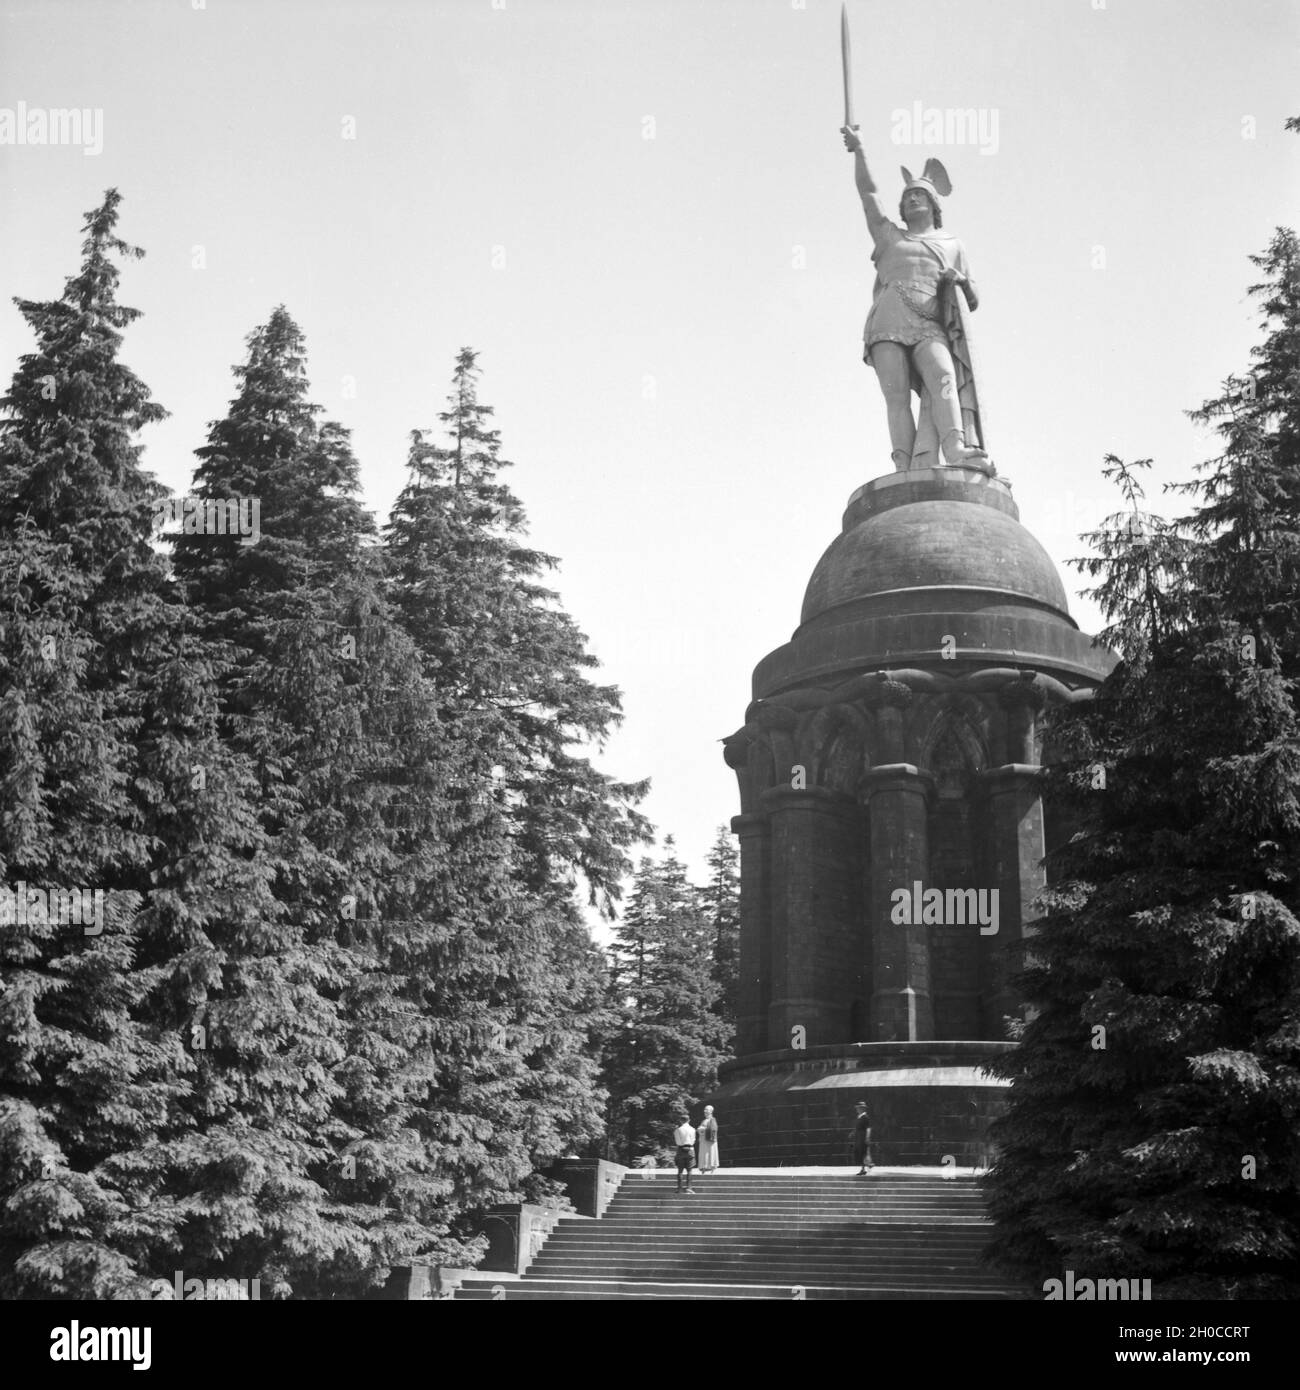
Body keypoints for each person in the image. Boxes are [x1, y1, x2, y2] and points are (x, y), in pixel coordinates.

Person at [840, 126, 989, 473]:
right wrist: (860, 150)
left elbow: (974, 298)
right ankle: (903, 466)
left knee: (944, 377)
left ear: (934, 205)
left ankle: (956, 449)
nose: (912, 199)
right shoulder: (890, 236)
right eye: (907, 196)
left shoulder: (953, 245)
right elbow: (869, 194)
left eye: (919, 194)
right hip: (888, 320)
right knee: (896, 397)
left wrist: (961, 281)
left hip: (930, 323)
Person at [672, 1114, 697, 1194]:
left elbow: (678, 1142)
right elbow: (693, 1140)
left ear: (681, 1121)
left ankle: (679, 1188)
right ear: (689, 1120)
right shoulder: (693, 1129)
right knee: (689, 1170)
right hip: (690, 1149)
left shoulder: (678, 1130)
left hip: (681, 1150)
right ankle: (689, 1188)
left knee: (680, 1170)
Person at [851, 1100, 873, 1175]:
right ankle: (867, 1166)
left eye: (859, 1108)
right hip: (858, 1137)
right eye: (857, 1108)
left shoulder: (865, 1117)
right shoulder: (859, 1117)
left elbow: (868, 1128)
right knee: (859, 1153)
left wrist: (867, 1137)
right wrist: (853, 1133)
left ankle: (865, 1167)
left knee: (863, 1152)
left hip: (862, 1137)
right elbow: (857, 1127)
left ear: (862, 1109)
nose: (857, 1109)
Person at [697, 1105, 720, 1174]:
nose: (705, 1111)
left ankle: (712, 1168)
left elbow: (713, 1129)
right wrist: (699, 1130)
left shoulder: (712, 1120)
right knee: (703, 1155)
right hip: (703, 1141)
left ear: (711, 1111)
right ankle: (704, 1168)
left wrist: (702, 1129)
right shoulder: (704, 1120)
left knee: (711, 1154)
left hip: (710, 1141)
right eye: (704, 1109)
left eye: (706, 1109)